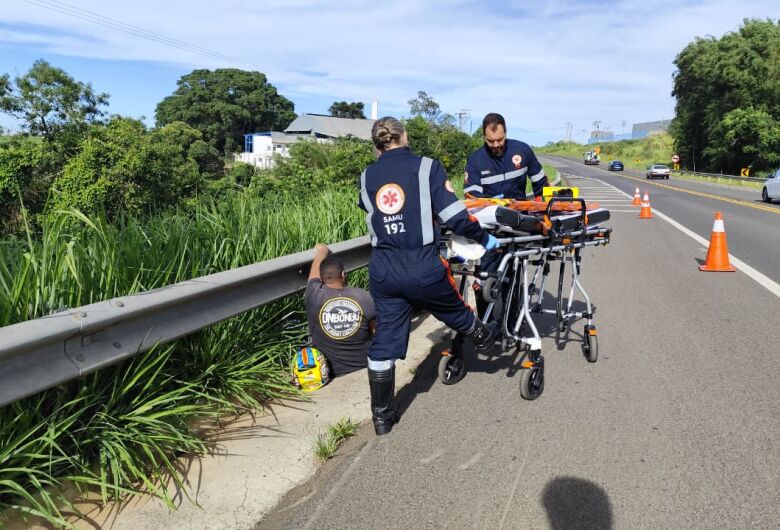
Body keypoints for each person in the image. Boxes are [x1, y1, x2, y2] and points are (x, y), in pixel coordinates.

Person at [358, 116, 498, 435]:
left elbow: (374, 212)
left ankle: (381, 417)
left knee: (384, 344)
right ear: (405, 136)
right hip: (420, 263)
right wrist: (484, 239)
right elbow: (454, 217)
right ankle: (483, 336)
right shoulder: (426, 167)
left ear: (377, 144)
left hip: (383, 269)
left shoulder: (366, 175)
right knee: (451, 307)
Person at [464, 113, 550, 321]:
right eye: (490, 141)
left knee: (513, 274)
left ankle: (511, 325)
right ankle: (486, 324)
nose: (495, 145)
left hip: (517, 226)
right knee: (487, 277)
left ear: (506, 133)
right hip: (489, 230)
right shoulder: (476, 160)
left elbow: (541, 186)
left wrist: (545, 215)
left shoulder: (522, 150)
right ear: (484, 137)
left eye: (500, 140)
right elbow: (471, 199)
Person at [304, 243, 376, 377]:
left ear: (322, 277)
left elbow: (313, 274)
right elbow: (377, 332)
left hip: (333, 371)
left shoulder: (313, 295)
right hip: (365, 363)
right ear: (343, 274)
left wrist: (322, 251)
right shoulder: (362, 296)